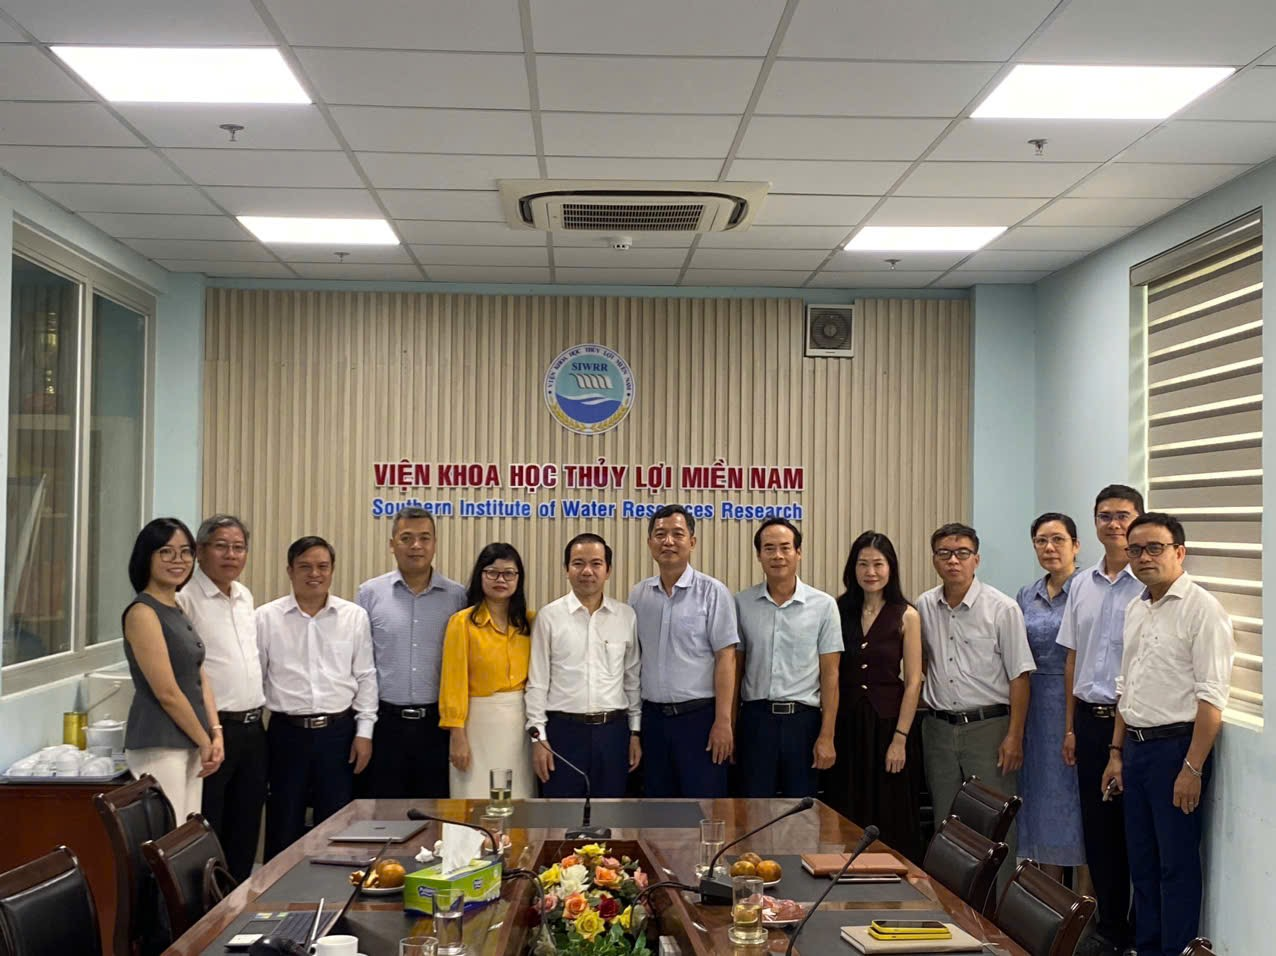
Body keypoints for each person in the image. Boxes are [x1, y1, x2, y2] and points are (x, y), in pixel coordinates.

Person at [1102, 513, 1234, 956]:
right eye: (1135, 550)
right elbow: (1126, 687)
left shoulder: (1203, 610)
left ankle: (1176, 950)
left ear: (1179, 552)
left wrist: (1191, 768)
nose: (1144, 557)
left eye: (1154, 548)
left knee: (1175, 867)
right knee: (1142, 864)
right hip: (1135, 750)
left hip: (1176, 752)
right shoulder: (1136, 607)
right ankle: (1147, 947)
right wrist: (1115, 753)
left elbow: (1211, 700)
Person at [1056, 484, 1146, 955]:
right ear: (1094, 523)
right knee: (1098, 830)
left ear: (1138, 520)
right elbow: (1073, 659)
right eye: (1105, 515)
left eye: (1123, 515)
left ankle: (1141, 932)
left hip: (1135, 724)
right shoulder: (1081, 585)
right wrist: (1070, 727)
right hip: (1089, 723)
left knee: (1136, 831)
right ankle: (1111, 927)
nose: (1113, 524)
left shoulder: (1148, 584)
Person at [918, 521, 1035, 875]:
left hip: (989, 729)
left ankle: (995, 904)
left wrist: (1014, 736)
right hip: (938, 729)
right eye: (944, 553)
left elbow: (1019, 677)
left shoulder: (1002, 608)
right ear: (934, 560)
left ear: (976, 559)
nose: (953, 560)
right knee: (946, 823)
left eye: (962, 553)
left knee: (995, 823)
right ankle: (951, 901)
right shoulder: (924, 605)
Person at [258, 536, 377, 859]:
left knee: (338, 825)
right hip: (286, 734)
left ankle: (335, 887)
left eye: (322, 566)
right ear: (290, 570)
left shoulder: (353, 616)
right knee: (283, 823)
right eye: (305, 567)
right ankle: (279, 889)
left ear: (332, 570)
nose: (315, 574)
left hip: (339, 734)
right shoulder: (265, 618)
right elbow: (256, 679)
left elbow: (366, 676)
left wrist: (364, 733)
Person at [176, 514, 264, 883]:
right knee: (211, 825)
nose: (231, 555)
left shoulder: (244, 596)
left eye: (239, 547)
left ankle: (239, 898)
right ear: (200, 551)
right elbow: (184, 675)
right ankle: (210, 905)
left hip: (253, 728)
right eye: (222, 546)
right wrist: (210, 733)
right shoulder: (184, 599)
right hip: (214, 731)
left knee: (246, 825)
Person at [826, 530, 924, 862]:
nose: (871, 572)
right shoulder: (837, 609)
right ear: (852, 568)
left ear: (891, 568)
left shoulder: (906, 614)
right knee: (845, 808)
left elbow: (913, 681)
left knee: (889, 810)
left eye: (878, 564)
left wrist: (900, 738)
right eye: (863, 564)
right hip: (846, 725)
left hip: (888, 727)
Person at [629, 504, 739, 798]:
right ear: (649, 542)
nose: (668, 541)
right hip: (653, 721)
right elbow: (633, 662)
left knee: (705, 807)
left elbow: (726, 659)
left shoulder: (713, 592)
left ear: (692, 541)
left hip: (700, 720)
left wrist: (723, 721)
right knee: (658, 808)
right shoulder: (639, 595)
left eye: (677, 534)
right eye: (660, 534)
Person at [357, 506, 467, 798]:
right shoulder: (370, 594)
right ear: (392, 544)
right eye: (406, 538)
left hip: (437, 727)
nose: (416, 545)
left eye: (424, 538)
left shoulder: (457, 596)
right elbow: (360, 663)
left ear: (435, 544)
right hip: (385, 725)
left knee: (436, 812)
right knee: (383, 811)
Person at [121, 517, 223, 822]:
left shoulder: (177, 608)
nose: (178, 560)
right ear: (146, 557)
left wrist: (215, 733)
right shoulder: (143, 612)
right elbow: (166, 691)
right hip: (159, 742)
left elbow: (199, 674)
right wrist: (205, 741)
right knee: (168, 834)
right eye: (166, 552)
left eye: (185, 552)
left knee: (188, 833)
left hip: (191, 739)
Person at [526, 533, 641, 797]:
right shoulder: (549, 617)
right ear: (566, 569)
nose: (587, 571)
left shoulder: (626, 616)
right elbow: (537, 682)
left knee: (611, 814)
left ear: (608, 570)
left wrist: (635, 733)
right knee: (561, 815)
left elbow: (632, 679)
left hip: (613, 734)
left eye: (596, 563)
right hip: (563, 733)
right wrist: (538, 738)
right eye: (578, 563)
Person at [734, 518, 842, 798]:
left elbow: (831, 675)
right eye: (769, 548)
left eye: (785, 547)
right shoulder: (741, 603)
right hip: (756, 720)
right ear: (759, 555)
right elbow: (735, 671)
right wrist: (730, 726)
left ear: (798, 552)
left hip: (803, 723)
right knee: (753, 807)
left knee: (802, 809)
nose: (778, 555)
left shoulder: (824, 605)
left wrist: (827, 735)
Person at [1014, 513, 1085, 881]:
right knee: (1039, 799)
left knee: (1078, 802)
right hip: (1033, 706)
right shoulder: (1026, 595)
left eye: (1058, 539)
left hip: (1075, 702)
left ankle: (1086, 901)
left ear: (1076, 545)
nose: (1049, 547)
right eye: (1041, 540)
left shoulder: (1087, 589)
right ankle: (1048, 896)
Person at [439, 542, 536, 799]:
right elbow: (453, 682)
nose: (500, 580)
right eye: (492, 572)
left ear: (519, 579)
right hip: (476, 725)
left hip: (519, 724)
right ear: (480, 575)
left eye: (509, 573)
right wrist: (457, 735)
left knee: (519, 797)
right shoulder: (462, 623)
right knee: (475, 798)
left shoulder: (530, 622)